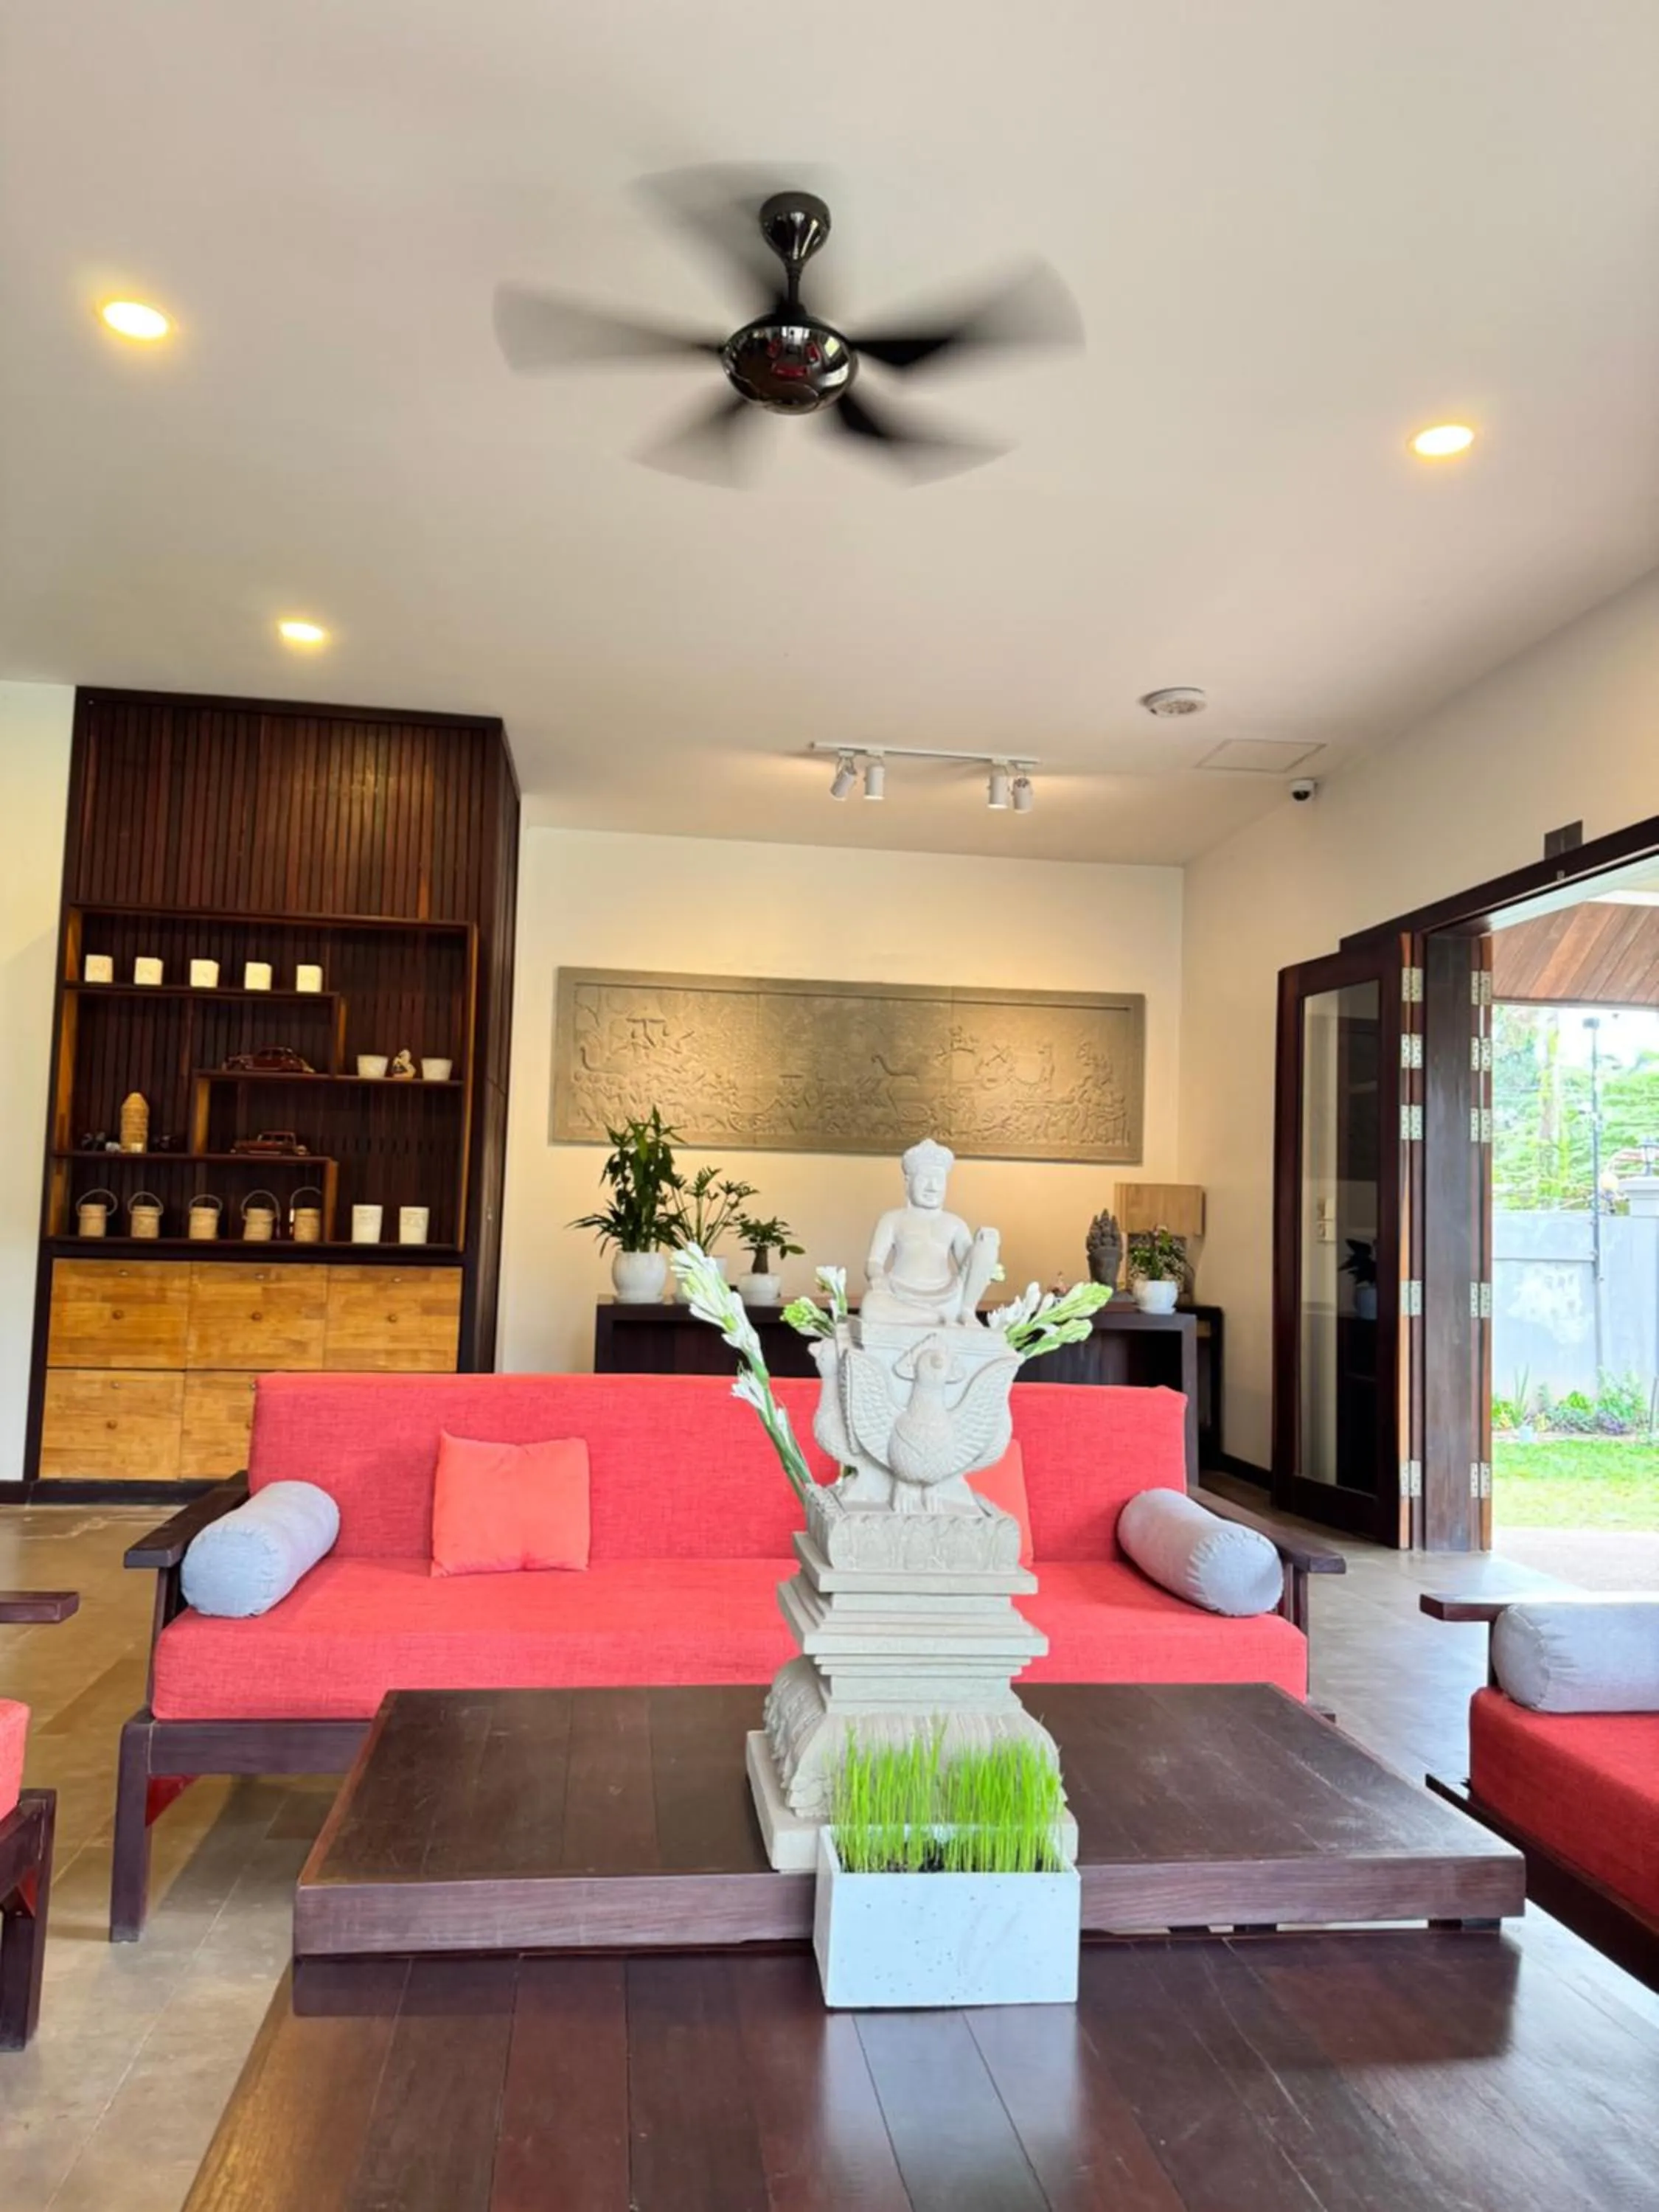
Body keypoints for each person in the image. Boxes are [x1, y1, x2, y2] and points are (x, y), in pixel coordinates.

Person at [861, 1138, 1000, 1327]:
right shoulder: (892, 1219)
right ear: (908, 1182)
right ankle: (934, 1319)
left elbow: (969, 1264)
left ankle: (966, 1312)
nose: (932, 1186)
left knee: (986, 1245)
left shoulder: (955, 1223)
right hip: (899, 1295)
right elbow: (874, 1262)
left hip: (949, 1297)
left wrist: (986, 1247)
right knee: (870, 1306)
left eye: (938, 1180)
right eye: (924, 1179)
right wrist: (878, 1278)